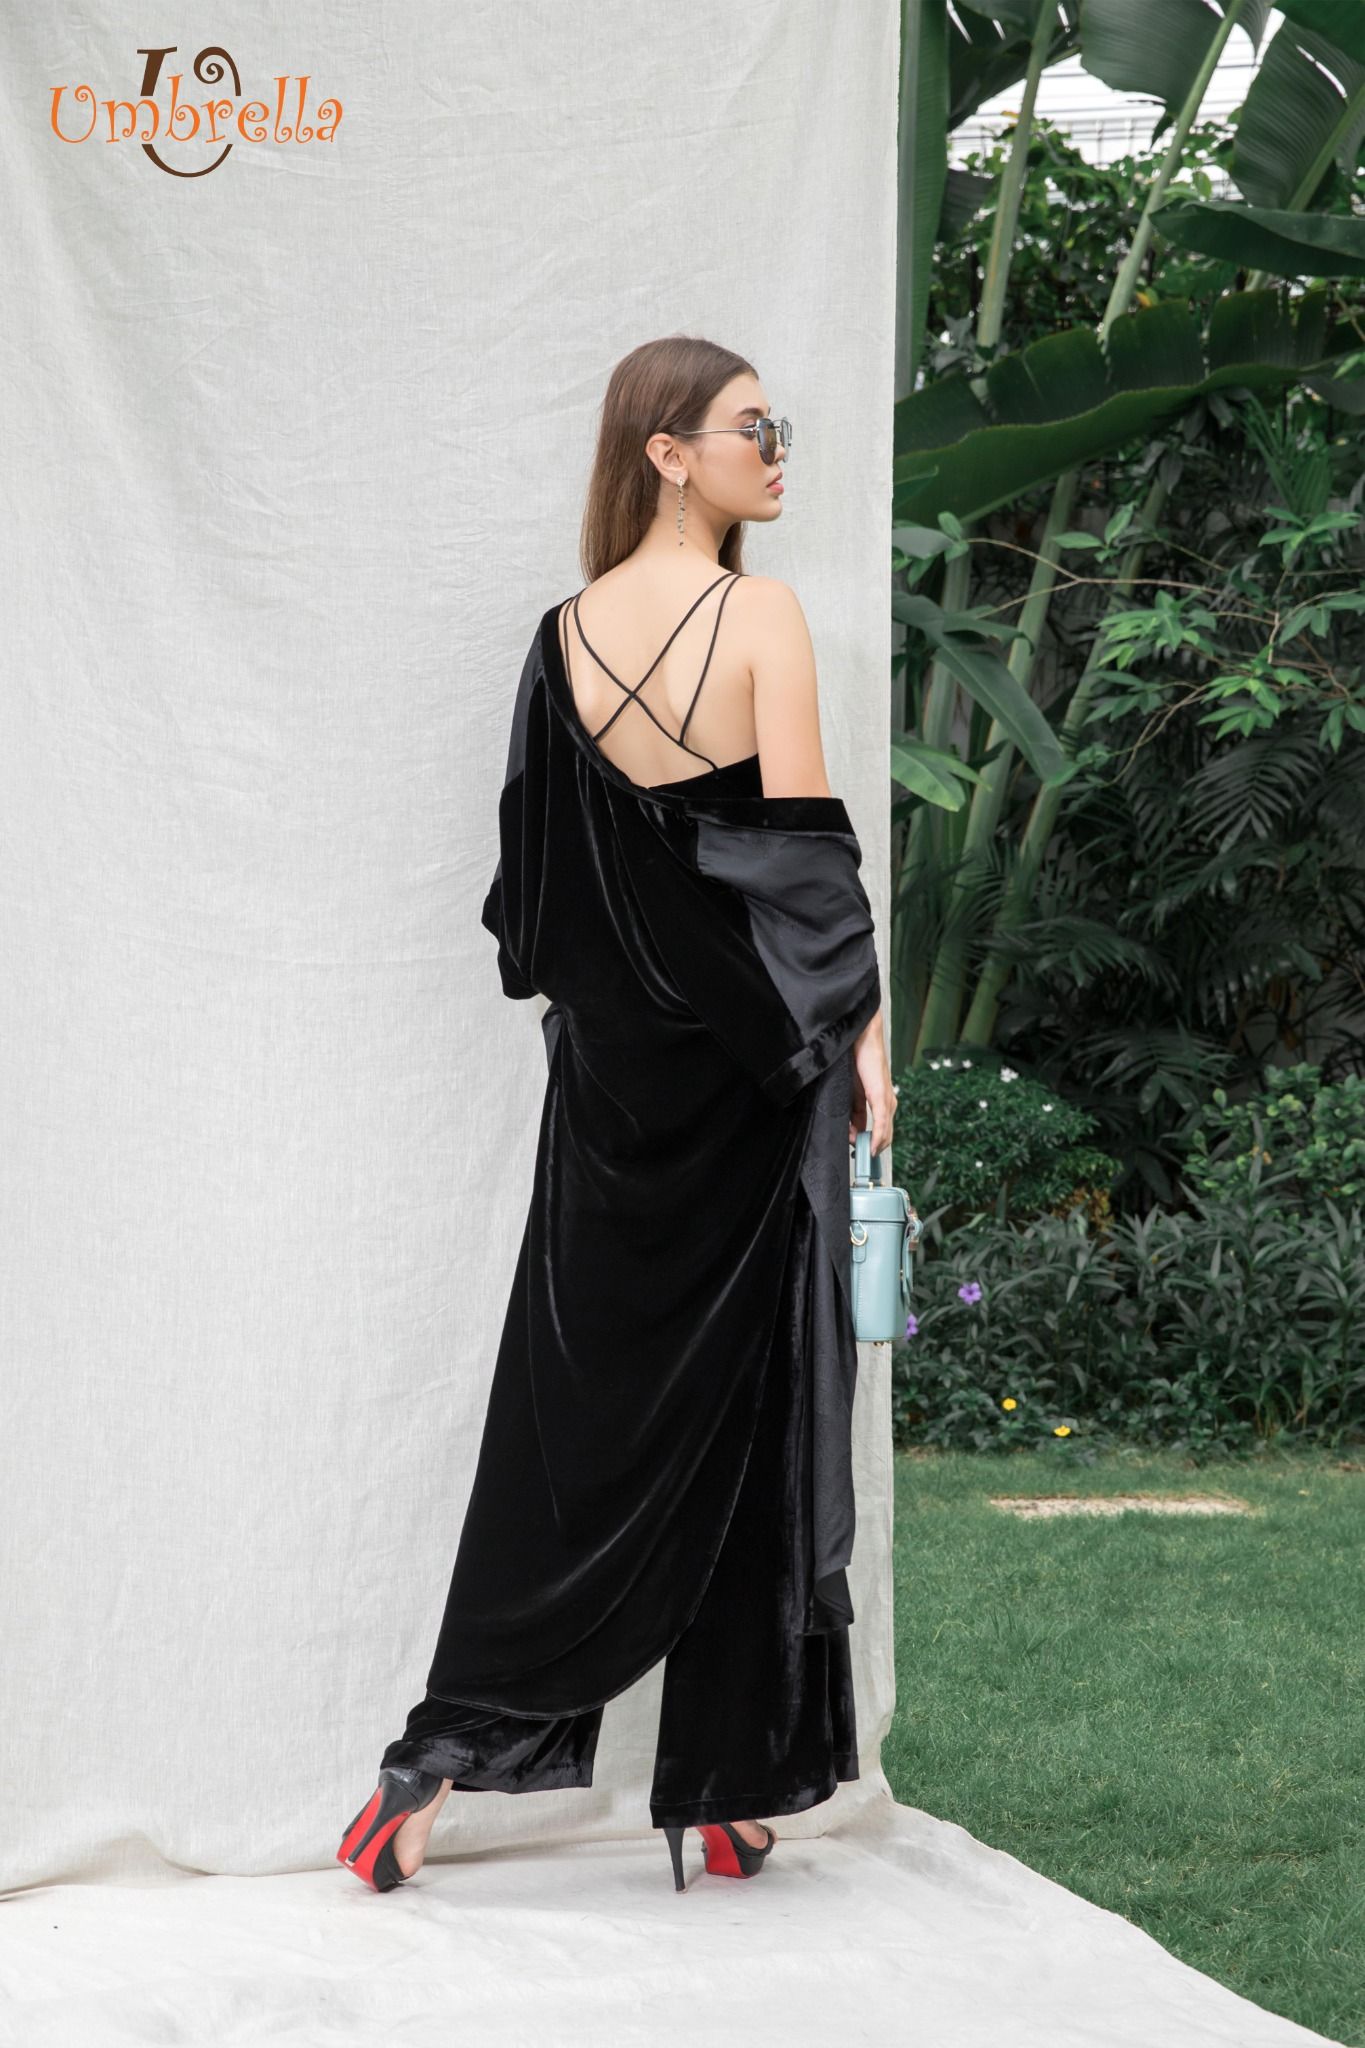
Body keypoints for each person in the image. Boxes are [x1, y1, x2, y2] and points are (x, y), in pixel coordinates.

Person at [337, 336, 894, 1897]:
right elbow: (802, 867)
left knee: (566, 1425)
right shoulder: (758, 616)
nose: (774, 451)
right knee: (754, 1412)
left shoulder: (558, 639)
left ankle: (437, 1763)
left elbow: (531, 907)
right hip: (749, 1080)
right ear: (665, 450)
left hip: (605, 1093)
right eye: (750, 426)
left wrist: (622, 1001)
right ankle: (724, 1781)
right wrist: (863, 1039)